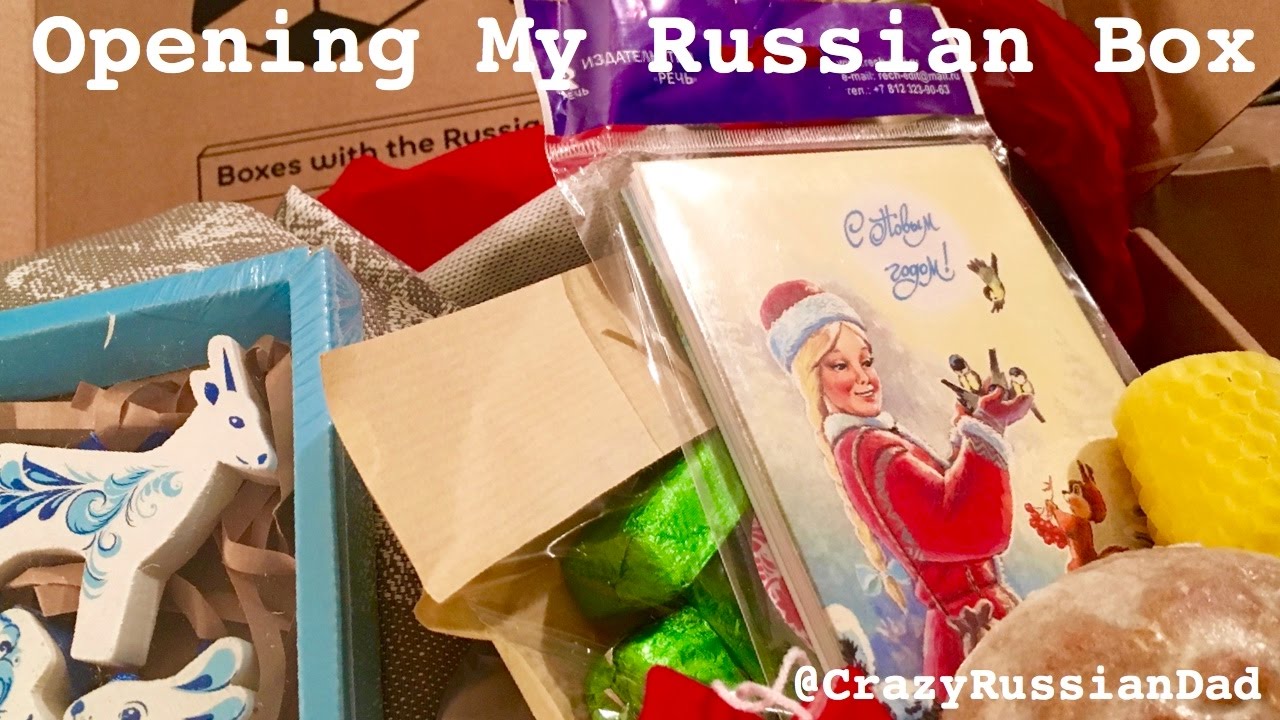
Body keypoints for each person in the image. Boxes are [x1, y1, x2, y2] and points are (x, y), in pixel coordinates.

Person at [760, 280, 1034, 679]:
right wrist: (986, 429)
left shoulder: (867, 442)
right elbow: (964, 529)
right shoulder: (868, 448)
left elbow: (944, 496)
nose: (864, 377)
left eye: (866, 361)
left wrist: (970, 429)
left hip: (977, 622)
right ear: (812, 378)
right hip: (972, 633)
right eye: (840, 366)